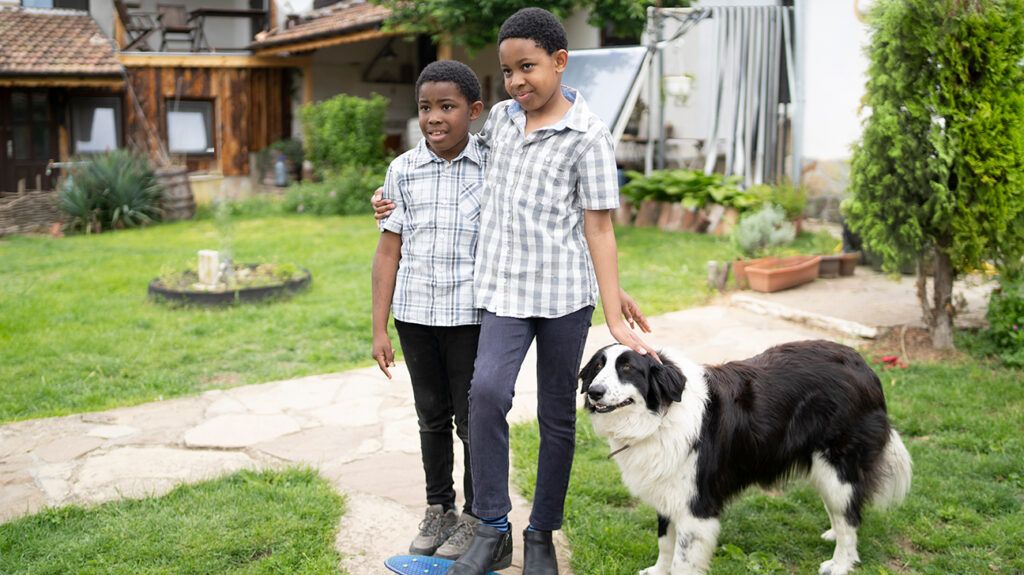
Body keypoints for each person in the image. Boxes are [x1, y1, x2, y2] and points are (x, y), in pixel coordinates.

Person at [446, 8, 658, 574]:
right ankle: (492, 529)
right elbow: (453, 160)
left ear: (560, 63)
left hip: (565, 296)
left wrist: (614, 314)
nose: (516, 81)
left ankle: (541, 532)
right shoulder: (497, 120)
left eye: (528, 68)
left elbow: (599, 228)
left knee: (556, 415)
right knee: (486, 394)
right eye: (508, 70)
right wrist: (393, 189)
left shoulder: (588, 137)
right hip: (503, 291)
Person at [371, 59, 488, 560]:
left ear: (474, 111)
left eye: (447, 106)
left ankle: (475, 516)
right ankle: (438, 507)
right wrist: (379, 328)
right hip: (415, 315)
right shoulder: (402, 170)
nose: (434, 117)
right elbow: (387, 252)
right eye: (425, 107)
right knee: (431, 418)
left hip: (470, 318)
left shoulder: (493, 165)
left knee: (471, 420)